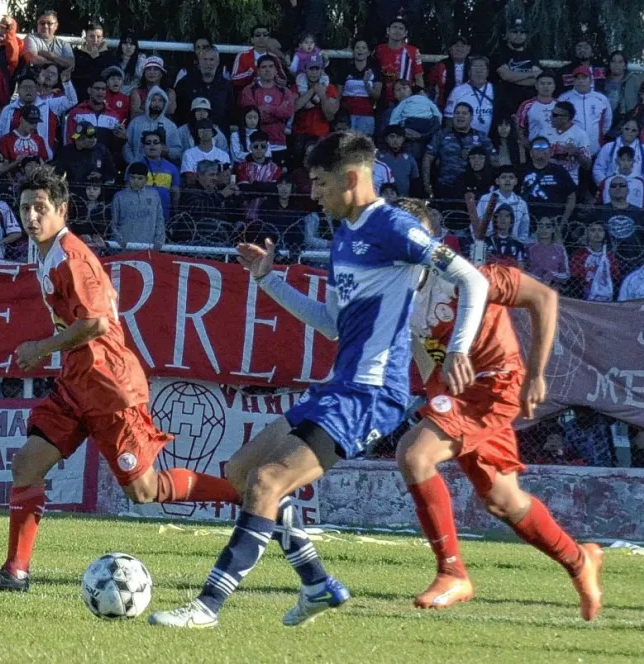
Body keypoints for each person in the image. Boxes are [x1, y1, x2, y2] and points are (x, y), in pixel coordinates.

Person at [147, 132, 490, 629]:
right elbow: (332, 323)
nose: (313, 193)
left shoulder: (393, 226)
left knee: (268, 481)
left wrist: (458, 349)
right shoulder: (344, 235)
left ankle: (207, 606)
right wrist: (269, 279)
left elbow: (472, 279)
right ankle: (317, 584)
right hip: (339, 385)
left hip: (373, 392)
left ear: (352, 178)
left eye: (319, 181)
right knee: (242, 470)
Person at [0, 166, 240, 593]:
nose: (31, 217)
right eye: (24, 208)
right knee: (26, 465)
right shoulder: (45, 252)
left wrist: (40, 348)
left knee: (143, 491)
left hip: (109, 386)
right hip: (77, 383)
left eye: (40, 208)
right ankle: (15, 572)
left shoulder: (72, 259)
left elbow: (92, 323)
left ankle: (246, 494)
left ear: (62, 209)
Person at [393, 198, 603, 620]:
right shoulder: (398, 287)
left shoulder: (474, 277)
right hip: (457, 394)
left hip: (495, 387)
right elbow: (420, 344)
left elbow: (544, 298)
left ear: (432, 239)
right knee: (504, 502)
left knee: (414, 456)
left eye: (412, 232)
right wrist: (434, 394)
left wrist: (536, 375)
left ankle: (453, 573)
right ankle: (580, 559)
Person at [558, 66, 612, 156]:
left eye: (584, 77)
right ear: (573, 81)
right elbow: (558, 123)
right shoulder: (563, 99)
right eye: (577, 78)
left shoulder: (601, 99)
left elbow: (607, 122)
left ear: (590, 80)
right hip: (570, 152)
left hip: (595, 151)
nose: (581, 81)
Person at [444, 56, 496, 136]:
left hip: (490, 140)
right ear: (469, 72)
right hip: (464, 140)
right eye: (475, 67)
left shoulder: (495, 90)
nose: (479, 70)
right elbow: (449, 118)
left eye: (482, 67)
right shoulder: (457, 91)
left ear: (488, 72)